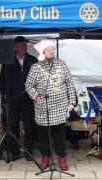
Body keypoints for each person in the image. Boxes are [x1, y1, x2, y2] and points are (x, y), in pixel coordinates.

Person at [25, 39, 76, 171]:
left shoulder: (61, 64)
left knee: (60, 136)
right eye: (49, 49)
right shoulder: (36, 67)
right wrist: (36, 96)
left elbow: (70, 83)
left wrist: (71, 102)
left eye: (53, 49)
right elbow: (29, 85)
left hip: (60, 107)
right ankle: (46, 157)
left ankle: (62, 158)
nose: (52, 51)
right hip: (43, 108)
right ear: (42, 52)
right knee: (43, 137)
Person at [0, 36, 38, 161]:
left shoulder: (32, 59)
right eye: (21, 45)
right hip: (12, 98)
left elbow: (38, 79)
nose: (24, 47)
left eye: (25, 45)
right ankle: (14, 151)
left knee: (29, 125)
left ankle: (28, 151)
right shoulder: (7, 60)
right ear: (15, 46)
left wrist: (35, 94)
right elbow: (2, 79)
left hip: (28, 98)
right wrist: (4, 94)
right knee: (12, 125)